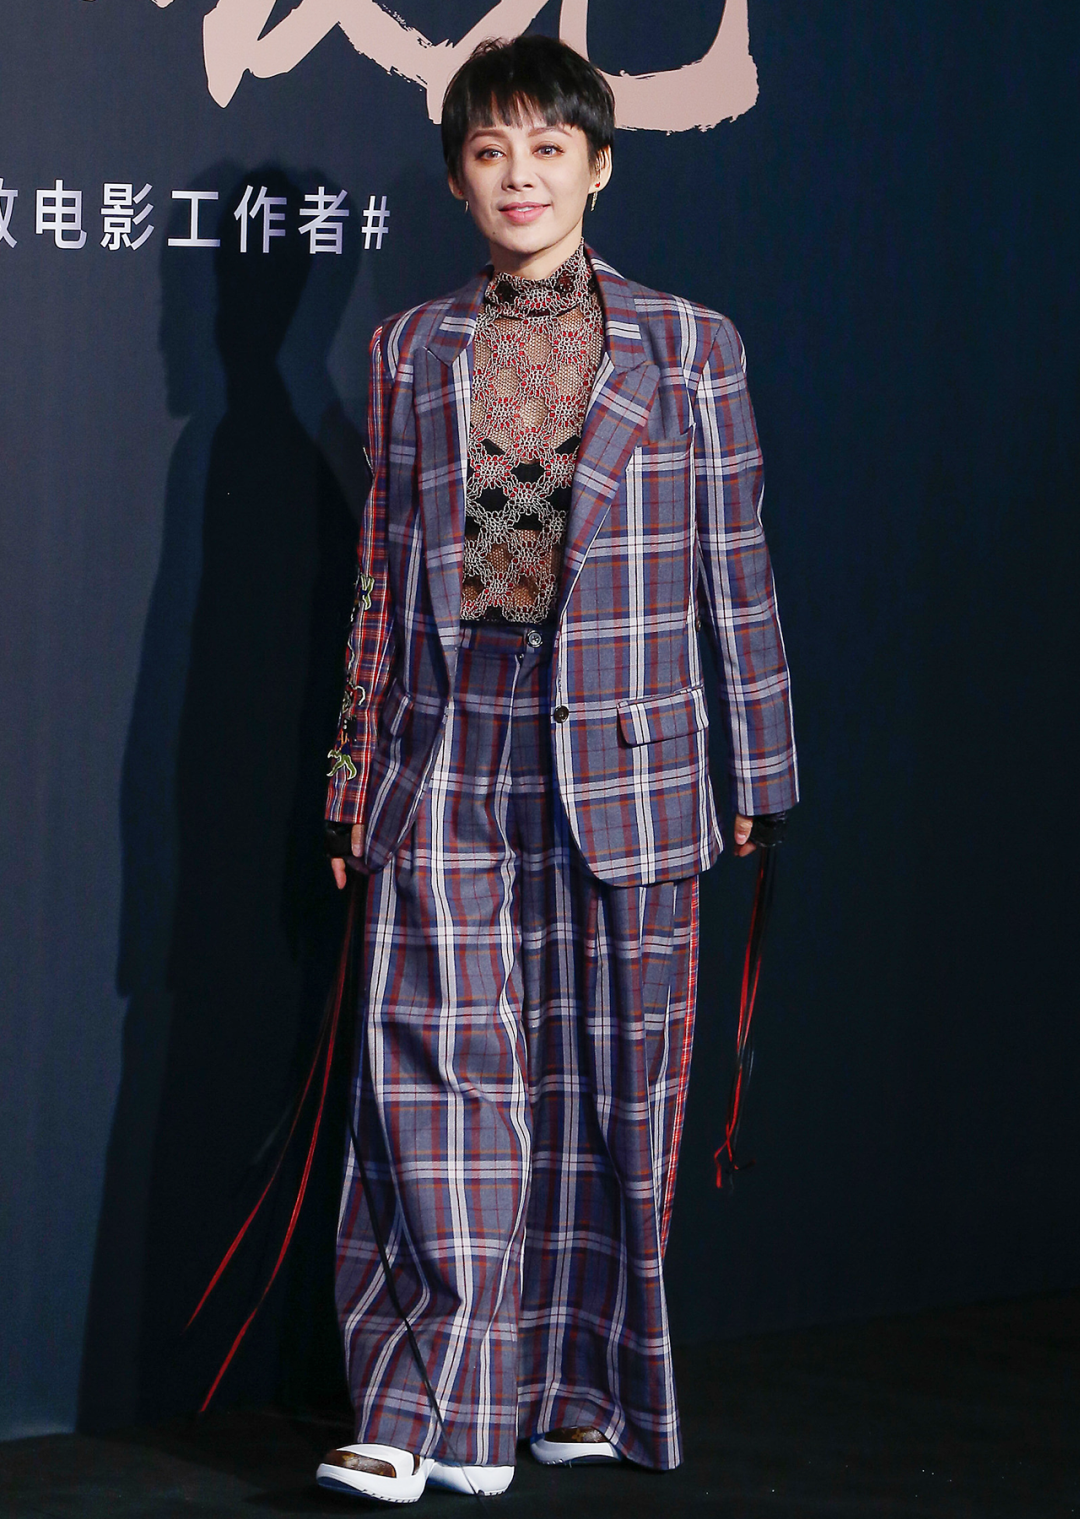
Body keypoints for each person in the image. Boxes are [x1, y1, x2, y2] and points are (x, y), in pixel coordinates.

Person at [317, 33, 797, 1505]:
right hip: (448, 743)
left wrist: (761, 772)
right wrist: (350, 778)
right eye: (488, 152)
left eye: (546, 149)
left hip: (630, 760)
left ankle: (574, 1387)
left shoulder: (690, 344)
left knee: (609, 1087)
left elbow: (736, 568)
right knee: (433, 1075)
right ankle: (424, 1412)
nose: (518, 176)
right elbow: (381, 584)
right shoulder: (411, 351)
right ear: (458, 180)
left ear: (599, 167)